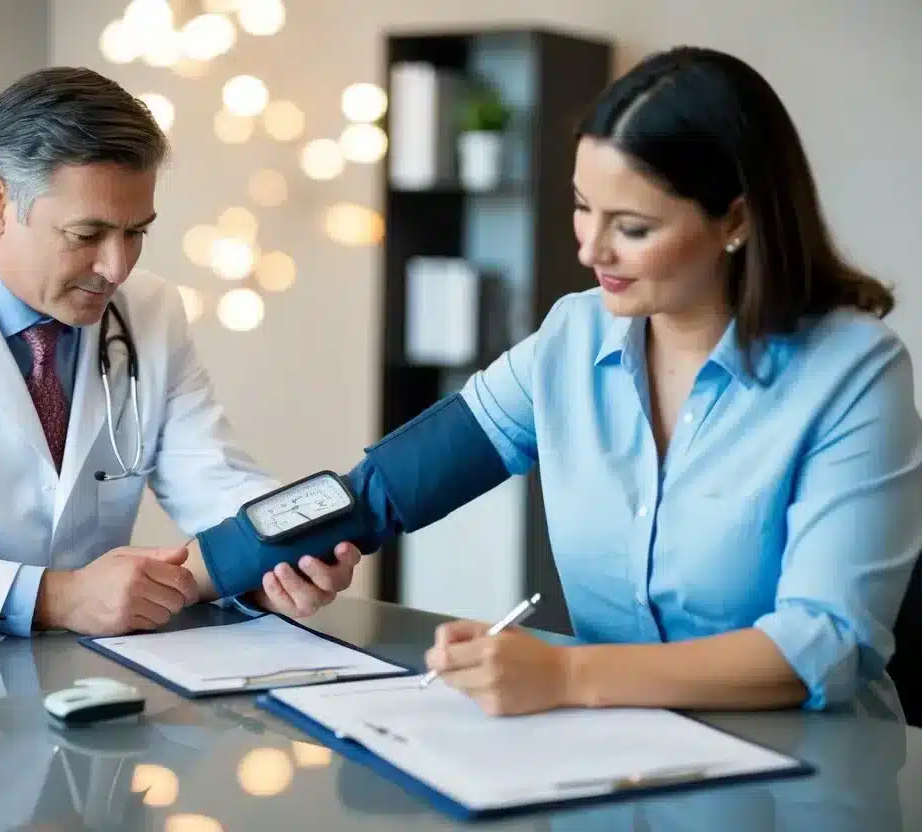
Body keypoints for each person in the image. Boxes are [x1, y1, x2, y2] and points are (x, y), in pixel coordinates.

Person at [194, 45, 922, 718]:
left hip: (808, 777)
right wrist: (199, 570)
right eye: (581, 206)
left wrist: (567, 676)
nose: (589, 247)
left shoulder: (853, 371)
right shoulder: (573, 337)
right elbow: (380, 492)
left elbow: (824, 642)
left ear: (734, 218)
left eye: (631, 225)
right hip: (607, 753)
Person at [0, 66, 362, 641]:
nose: (117, 267)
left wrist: (274, 554)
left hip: (66, 680)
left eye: (137, 232)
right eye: (87, 235)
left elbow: (214, 481)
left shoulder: (150, 311)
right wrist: (59, 597)